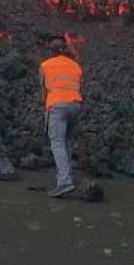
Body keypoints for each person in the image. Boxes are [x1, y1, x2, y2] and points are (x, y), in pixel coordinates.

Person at [39, 37, 82, 198]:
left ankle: (64, 182)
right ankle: (64, 177)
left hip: (57, 106)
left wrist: (46, 109)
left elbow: (44, 91)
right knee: (67, 141)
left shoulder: (45, 65)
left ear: (50, 51)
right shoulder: (75, 65)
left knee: (56, 143)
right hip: (76, 105)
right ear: (63, 50)